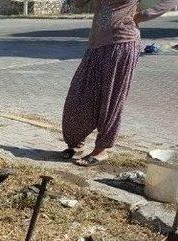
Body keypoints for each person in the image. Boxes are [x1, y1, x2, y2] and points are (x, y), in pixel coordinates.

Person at [61, 0, 177, 166]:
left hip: (121, 43)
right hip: (95, 45)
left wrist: (141, 16)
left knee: (110, 99)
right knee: (79, 96)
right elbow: (77, 4)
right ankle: (76, 143)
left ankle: (101, 150)